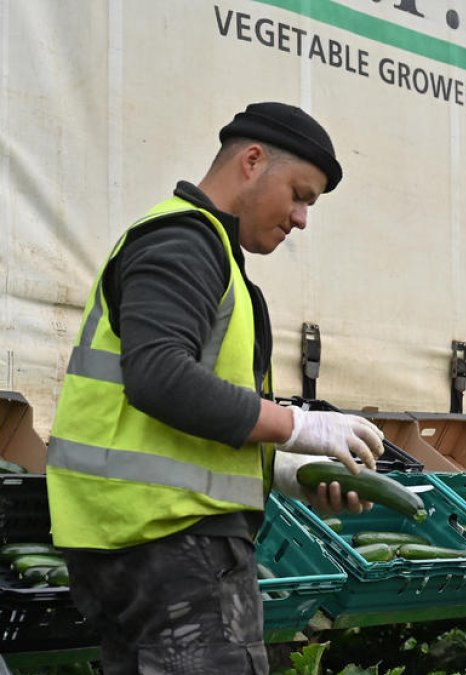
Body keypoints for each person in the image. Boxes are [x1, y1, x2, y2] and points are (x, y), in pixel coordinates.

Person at [45, 102, 387, 674]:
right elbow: (161, 378)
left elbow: (178, 411)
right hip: (172, 548)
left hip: (140, 546)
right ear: (252, 161)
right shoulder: (184, 241)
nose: (302, 218)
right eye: (300, 194)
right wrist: (302, 425)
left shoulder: (207, 252)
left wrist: (281, 468)